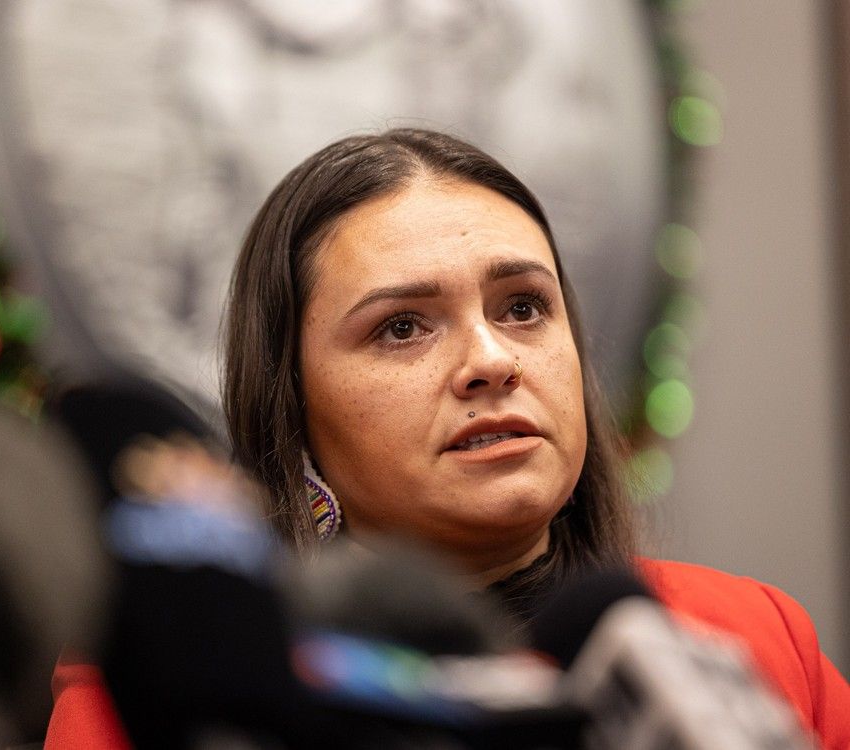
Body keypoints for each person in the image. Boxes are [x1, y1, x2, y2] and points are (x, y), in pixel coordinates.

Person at [45, 129, 850, 747]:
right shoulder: (166, 690)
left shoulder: (748, 637)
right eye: (402, 327)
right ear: (293, 409)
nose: (492, 361)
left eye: (523, 308)